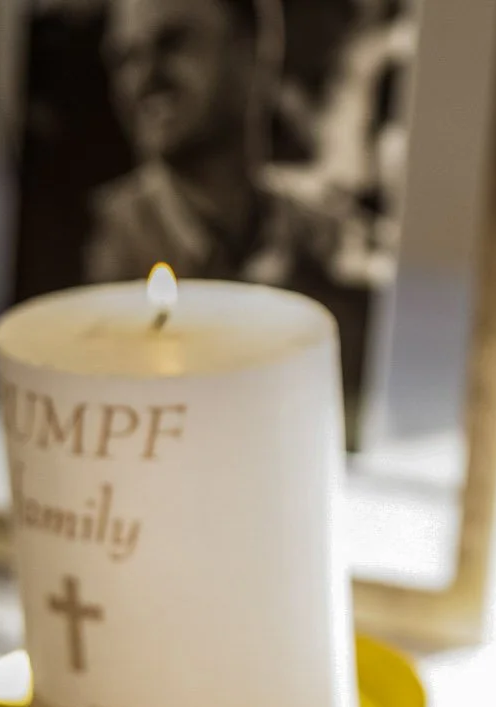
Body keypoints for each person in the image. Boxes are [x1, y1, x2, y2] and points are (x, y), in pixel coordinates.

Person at [85, 0, 370, 407]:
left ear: (256, 51)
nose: (143, 78)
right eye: (125, 59)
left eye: (173, 43)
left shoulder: (330, 249)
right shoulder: (94, 245)